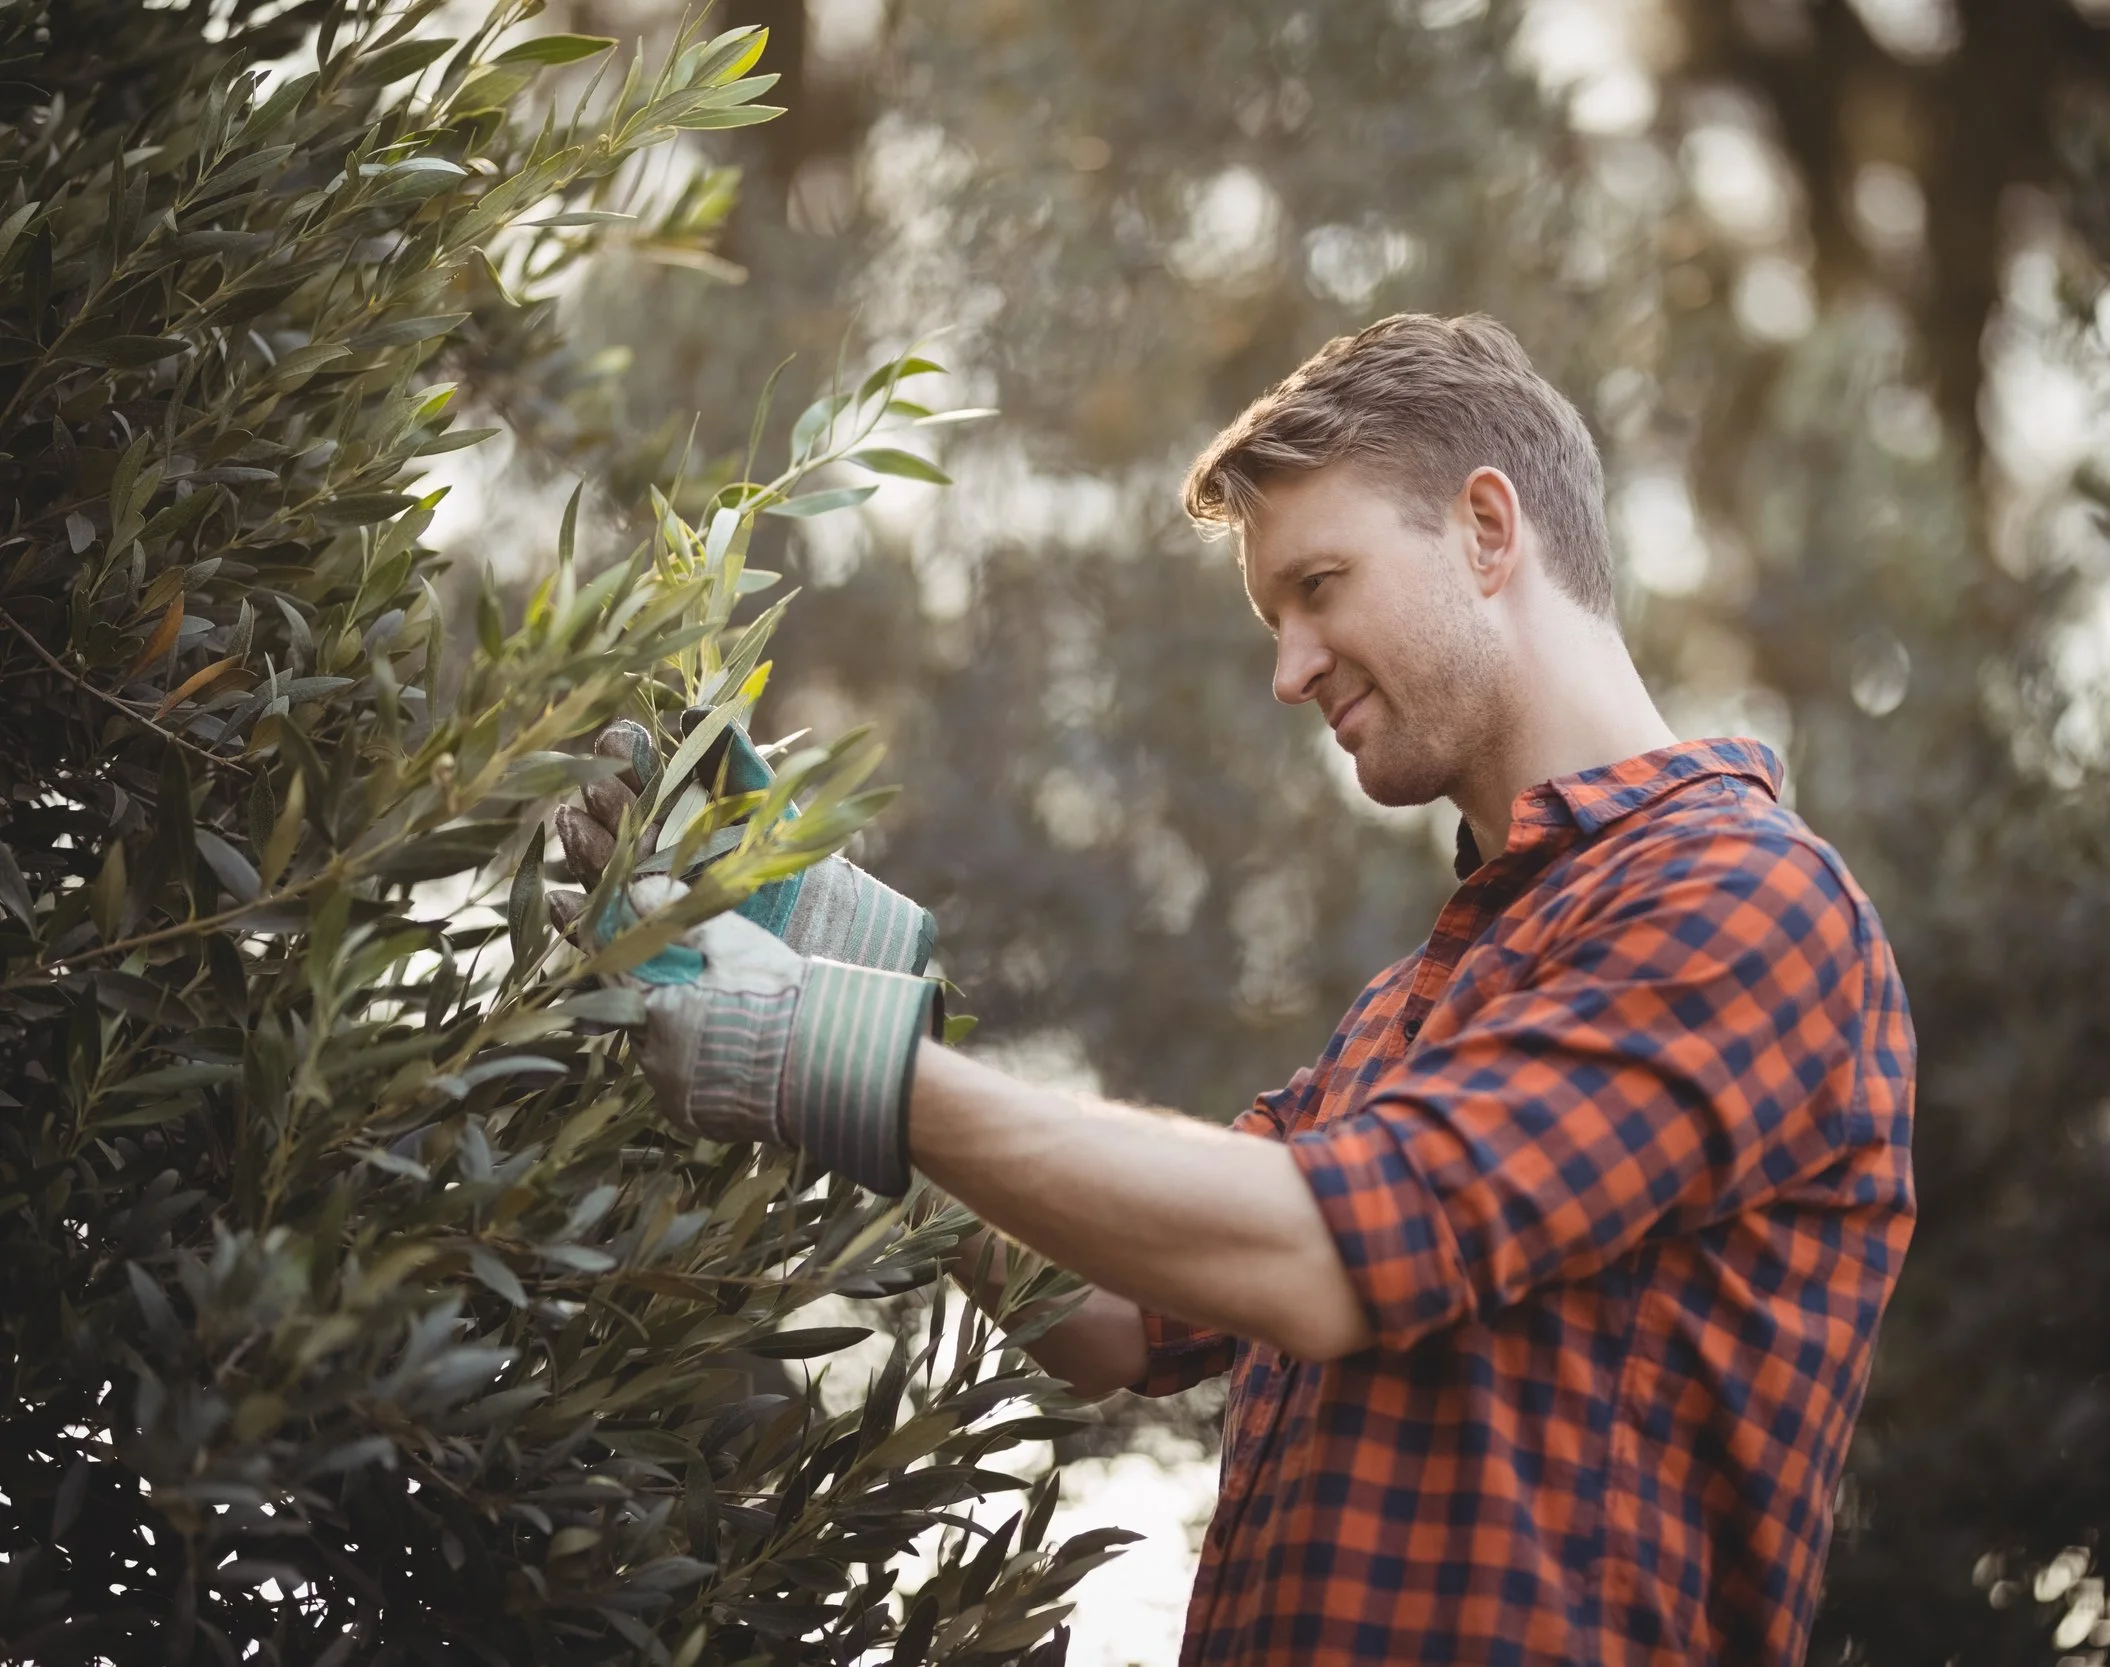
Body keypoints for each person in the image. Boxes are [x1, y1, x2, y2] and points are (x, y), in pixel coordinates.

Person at [554, 313, 1916, 1665]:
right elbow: (1102, 1317)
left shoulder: (1744, 900)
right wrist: (836, 968)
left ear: (1488, 532)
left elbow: (1326, 1253)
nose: (1289, 670)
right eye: (1278, 617)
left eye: (1320, 586)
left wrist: (842, 1051)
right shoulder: (1418, 1005)